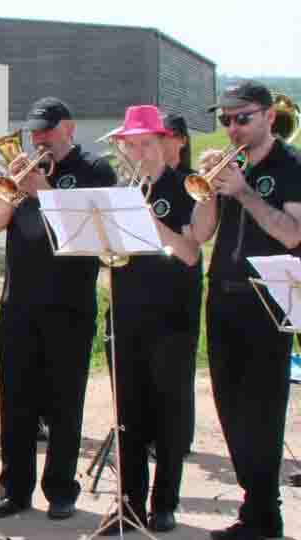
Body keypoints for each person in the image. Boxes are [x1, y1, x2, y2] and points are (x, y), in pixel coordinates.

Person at [0, 97, 116, 520]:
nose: (38, 139)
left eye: (46, 131)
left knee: (64, 402)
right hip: (18, 302)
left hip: (69, 304)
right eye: (34, 131)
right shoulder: (24, 173)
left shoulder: (95, 170)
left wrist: (45, 192)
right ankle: (15, 489)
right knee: (16, 400)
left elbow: (90, 234)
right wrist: (11, 190)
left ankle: (61, 490)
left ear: (69, 128)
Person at [189, 81, 301, 540]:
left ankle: (265, 514)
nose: (232, 128)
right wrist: (210, 192)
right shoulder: (228, 166)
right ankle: (253, 506)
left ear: (269, 117)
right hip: (222, 292)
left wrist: (245, 193)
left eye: (242, 118)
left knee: (263, 408)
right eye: (225, 121)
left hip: (266, 296)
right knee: (229, 405)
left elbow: (292, 233)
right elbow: (202, 233)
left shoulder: (289, 166)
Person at [97, 106, 201, 534]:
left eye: (146, 143)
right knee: (129, 414)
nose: (138, 152)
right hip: (127, 311)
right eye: (131, 145)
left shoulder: (186, 188)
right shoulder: (121, 190)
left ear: (163, 143)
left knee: (169, 415)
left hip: (173, 315)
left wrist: (151, 223)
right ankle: (129, 503)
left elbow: (191, 254)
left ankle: (164, 503)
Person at [161, 112, 200, 457]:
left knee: (178, 366)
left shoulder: (190, 180)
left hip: (181, 281)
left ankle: (178, 437)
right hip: (148, 281)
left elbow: (197, 240)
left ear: (182, 139)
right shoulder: (151, 179)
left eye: (166, 134)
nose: (160, 140)